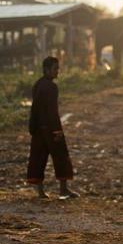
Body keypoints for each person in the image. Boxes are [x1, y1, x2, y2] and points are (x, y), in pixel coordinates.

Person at [27, 56, 79, 199]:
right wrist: (57, 130)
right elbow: (52, 111)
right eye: (55, 68)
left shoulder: (37, 84)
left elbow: (34, 109)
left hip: (38, 128)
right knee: (61, 156)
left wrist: (32, 127)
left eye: (58, 68)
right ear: (46, 70)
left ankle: (40, 191)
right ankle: (63, 189)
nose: (58, 71)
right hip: (50, 127)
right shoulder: (51, 87)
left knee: (38, 157)